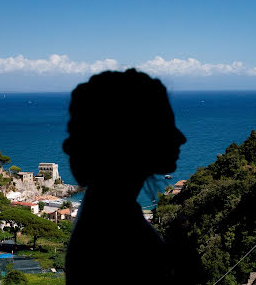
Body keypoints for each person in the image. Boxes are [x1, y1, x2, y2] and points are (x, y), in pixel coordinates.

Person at [63, 69, 187, 284]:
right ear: (131, 136)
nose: (180, 137)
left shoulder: (103, 211)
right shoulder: (118, 234)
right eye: (166, 126)